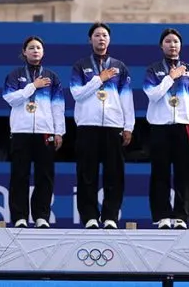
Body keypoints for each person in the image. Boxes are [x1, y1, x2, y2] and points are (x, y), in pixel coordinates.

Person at [69, 22, 135, 229]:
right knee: (87, 174)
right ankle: (89, 217)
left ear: (109, 40)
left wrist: (128, 126)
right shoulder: (80, 66)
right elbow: (77, 94)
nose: (101, 38)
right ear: (90, 40)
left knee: (114, 174)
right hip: (88, 125)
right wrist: (99, 79)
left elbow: (127, 98)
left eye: (104, 35)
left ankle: (110, 217)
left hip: (113, 126)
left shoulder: (120, 67)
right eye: (97, 35)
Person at [143, 27, 189, 230]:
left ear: (181, 46)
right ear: (161, 46)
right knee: (159, 173)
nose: (172, 45)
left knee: (184, 173)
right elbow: (152, 95)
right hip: (160, 128)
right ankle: (162, 216)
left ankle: (180, 217)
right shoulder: (153, 70)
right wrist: (170, 77)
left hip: (183, 127)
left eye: (176, 42)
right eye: (168, 41)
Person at [2, 36, 65, 228]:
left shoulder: (52, 77)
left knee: (44, 175)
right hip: (21, 130)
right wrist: (32, 87)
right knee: (19, 174)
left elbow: (58, 107)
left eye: (38, 48)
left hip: (45, 131)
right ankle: (20, 217)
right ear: (24, 52)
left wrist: (59, 132)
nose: (35, 50)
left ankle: (41, 217)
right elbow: (10, 99)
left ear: (43, 52)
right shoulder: (15, 75)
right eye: (31, 48)